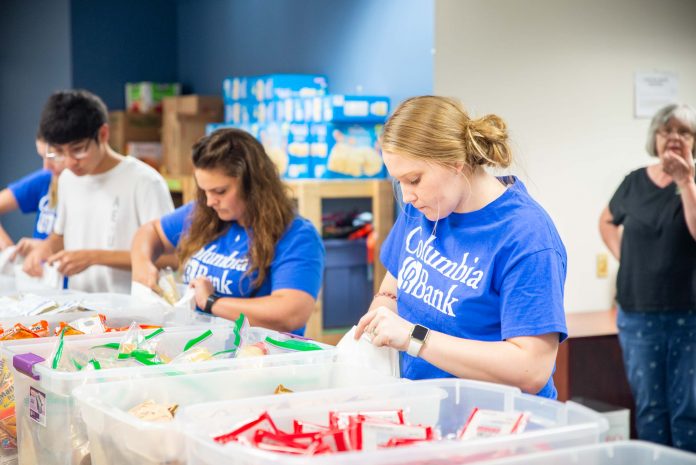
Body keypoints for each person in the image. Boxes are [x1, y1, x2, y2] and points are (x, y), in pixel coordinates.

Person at [354, 96, 567, 399]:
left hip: (497, 424)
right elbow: (394, 286)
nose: (407, 196)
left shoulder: (526, 237)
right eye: (399, 181)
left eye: (414, 179)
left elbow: (531, 369)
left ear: (456, 163)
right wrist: (380, 315)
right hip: (424, 407)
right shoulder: (426, 207)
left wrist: (414, 338)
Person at [131, 128, 324, 333]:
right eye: (204, 191)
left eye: (220, 191)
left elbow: (290, 313)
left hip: (259, 358)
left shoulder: (297, 236)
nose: (210, 201)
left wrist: (213, 302)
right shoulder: (205, 214)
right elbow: (151, 231)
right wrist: (142, 263)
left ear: (253, 185)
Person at [599, 103, 696, 451]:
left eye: (683, 132)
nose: (674, 138)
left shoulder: (694, 183)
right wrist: (627, 258)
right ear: (654, 137)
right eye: (666, 130)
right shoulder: (634, 182)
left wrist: (686, 181)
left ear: (693, 141)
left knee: (689, 411)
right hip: (637, 313)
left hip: (688, 316)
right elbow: (607, 220)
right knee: (651, 409)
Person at [24, 89, 174, 293]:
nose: (69, 162)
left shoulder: (145, 182)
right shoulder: (68, 179)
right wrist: (45, 248)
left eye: (78, 149)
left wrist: (94, 257)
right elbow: (61, 235)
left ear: (103, 134)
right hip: (82, 311)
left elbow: (172, 258)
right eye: (59, 152)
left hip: (134, 315)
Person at [0, 138, 64, 258]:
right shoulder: (46, 179)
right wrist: (8, 250)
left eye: (52, 157)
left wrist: (45, 247)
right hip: (41, 274)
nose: (46, 167)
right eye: (43, 157)